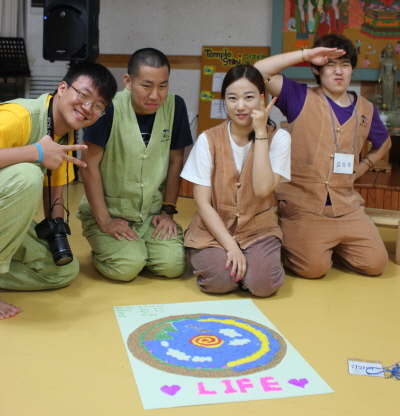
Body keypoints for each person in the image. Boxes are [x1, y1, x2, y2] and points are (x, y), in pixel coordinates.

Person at [254, 34, 391, 279]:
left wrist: (360, 169)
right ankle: (301, 241)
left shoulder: (366, 109)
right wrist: (307, 54)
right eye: (330, 64)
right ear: (316, 69)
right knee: (312, 269)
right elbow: (258, 71)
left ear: (352, 70)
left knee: (376, 264)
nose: (339, 71)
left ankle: (329, 245)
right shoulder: (299, 97)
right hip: (303, 205)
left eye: (345, 65)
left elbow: (384, 144)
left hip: (346, 206)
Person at [0, 61, 118, 319]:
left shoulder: (65, 136)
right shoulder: (19, 117)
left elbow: (54, 200)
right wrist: (36, 152)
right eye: (83, 95)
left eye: (98, 106)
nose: (88, 108)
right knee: (28, 175)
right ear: (62, 88)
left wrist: (57, 240)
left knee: (62, 271)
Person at [77, 48, 193, 282]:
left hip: (151, 213)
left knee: (173, 265)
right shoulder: (107, 107)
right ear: (128, 81)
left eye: (163, 86)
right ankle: (111, 249)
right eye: (146, 86)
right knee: (127, 267)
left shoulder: (176, 106)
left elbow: (175, 161)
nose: (155, 95)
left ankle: (139, 248)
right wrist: (105, 220)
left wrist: (167, 211)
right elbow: (88, 166)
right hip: (109, 211)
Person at [181, 65, 291, 297]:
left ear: (262, 98)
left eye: (249, 97)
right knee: (220, 282)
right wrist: (231, 247)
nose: (240, 106)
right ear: (225, 101)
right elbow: (202, 203)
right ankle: (213, 256)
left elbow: (262, 189)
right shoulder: (207, 140)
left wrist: (260, 132)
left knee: (263, 285)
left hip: (258, 231)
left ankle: (255, 263)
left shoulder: (279, 138)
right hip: (212, 231)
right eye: (232, 98)